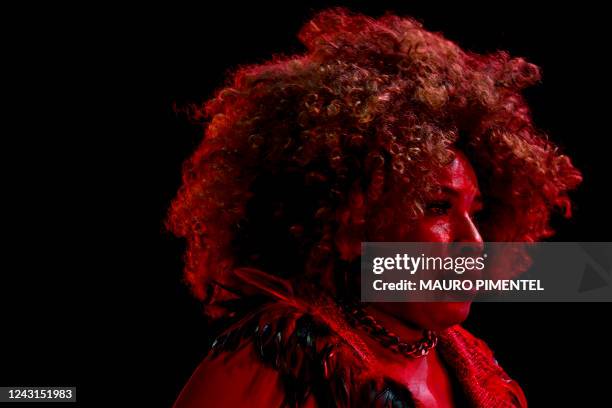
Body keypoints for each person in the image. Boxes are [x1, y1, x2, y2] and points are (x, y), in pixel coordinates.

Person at [167, 8, 581, 407]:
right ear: (351, 220)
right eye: (437, 206)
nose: (473, 242)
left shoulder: (477, 367)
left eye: (475, 211)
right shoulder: (280, 358)